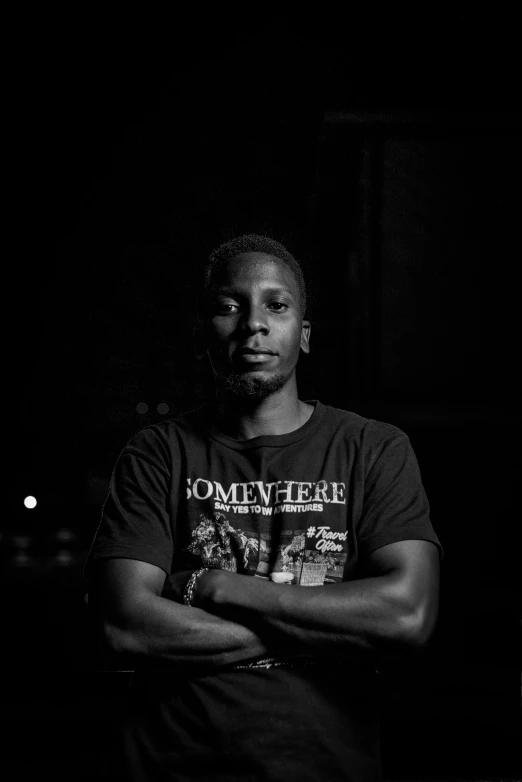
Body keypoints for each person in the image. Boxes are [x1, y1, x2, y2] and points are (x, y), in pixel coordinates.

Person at [85, 234, 442, 782]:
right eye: (229, 307)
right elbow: (125, 625)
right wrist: (335, 622)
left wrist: (225, 589)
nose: (253, 323)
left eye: (276, 305)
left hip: (326, 768)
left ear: (304, 333)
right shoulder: (158, 452)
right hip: (171, 767)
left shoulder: (373, 448)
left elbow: (406, 615)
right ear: (204, 334)